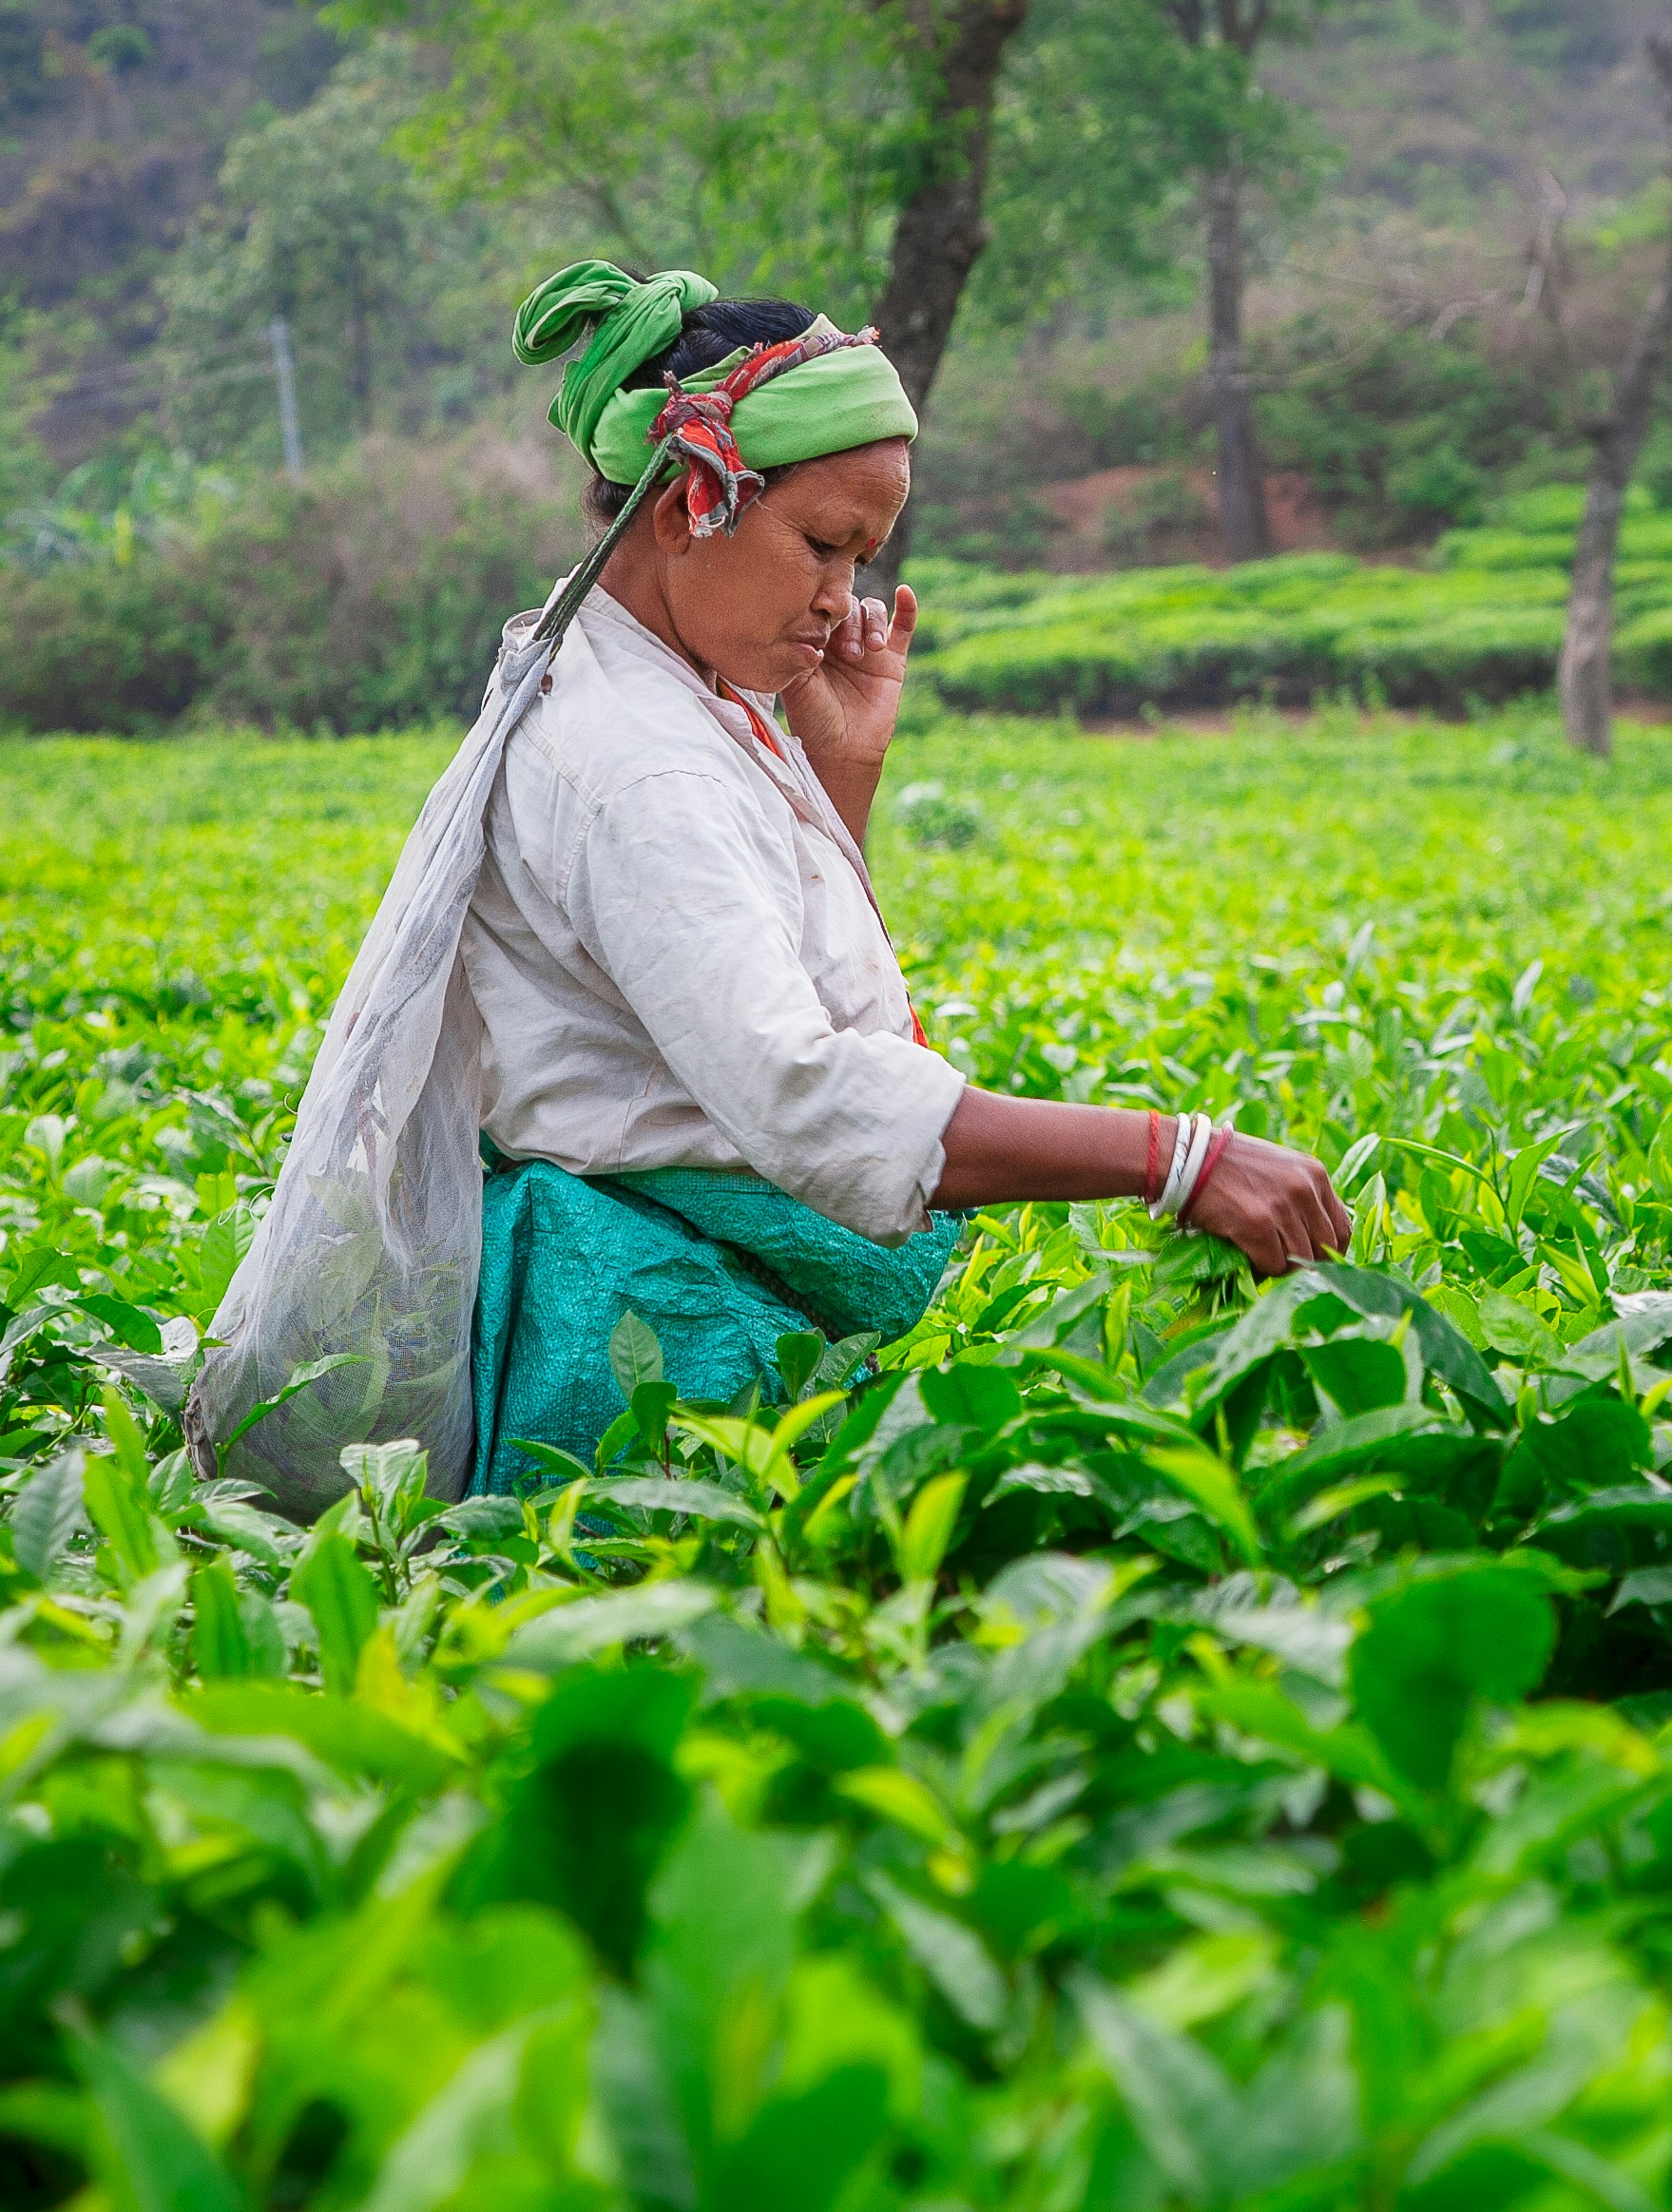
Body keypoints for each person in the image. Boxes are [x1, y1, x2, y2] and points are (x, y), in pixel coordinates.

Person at [459, 260, 1352, 1489]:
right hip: (645, 1350)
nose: (844, 601)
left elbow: (754, 973)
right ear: (686, 510)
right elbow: (799, 1087)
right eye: (824, 547)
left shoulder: (677, 688)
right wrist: (1176, 1158)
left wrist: (839, 774)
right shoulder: (637, 763)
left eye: (864, 559)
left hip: (693, 1309)